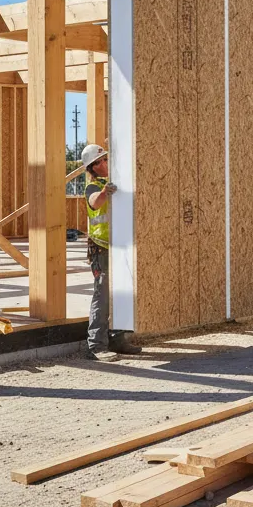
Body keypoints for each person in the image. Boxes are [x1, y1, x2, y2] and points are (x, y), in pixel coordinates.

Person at [82, 144, 141, 362]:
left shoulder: (119, 183)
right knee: (102, 296)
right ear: (92, 168)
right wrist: (105, 192)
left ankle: (118, 339)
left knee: (123, 294)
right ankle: (96, 346)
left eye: (105, 159)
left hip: (121, 247)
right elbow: (95, 202)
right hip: (102, 249)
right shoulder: (93, 187)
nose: (103, 164)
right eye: (98, 162)